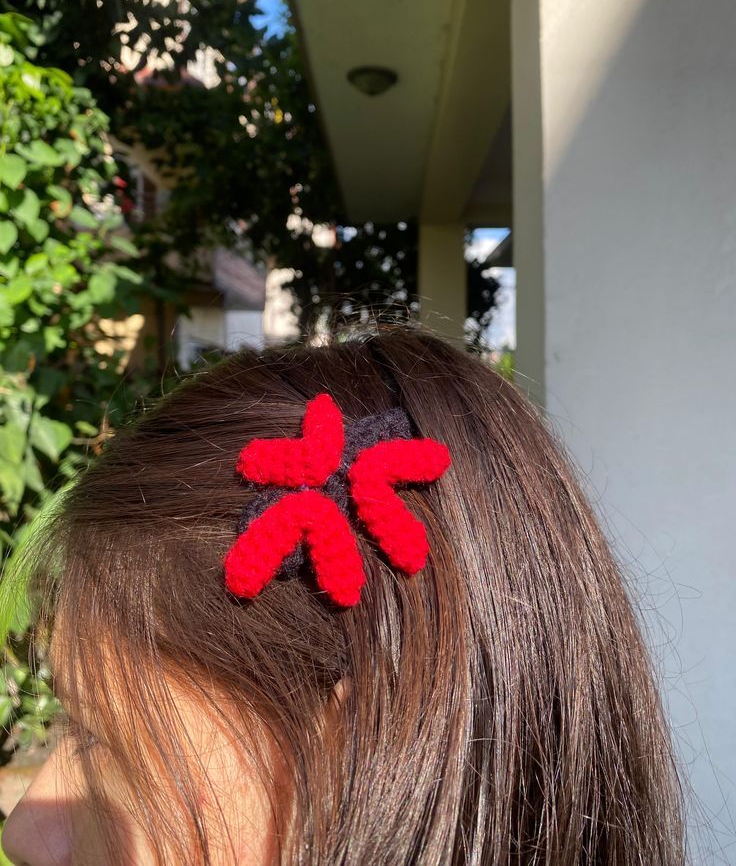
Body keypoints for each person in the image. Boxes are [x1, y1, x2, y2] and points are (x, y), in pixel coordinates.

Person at [1, 328, 684, 864]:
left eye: (95, 735)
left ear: (357, 756)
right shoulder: (329, 485)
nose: (24, 828)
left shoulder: (325, 495)